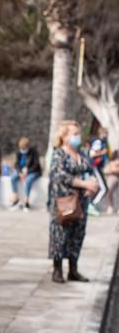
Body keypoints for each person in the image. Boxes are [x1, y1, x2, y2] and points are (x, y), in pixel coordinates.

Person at [48, 120, 99, 283]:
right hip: (64, 200)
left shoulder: (82, 153)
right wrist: (83, 184)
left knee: (77, 235)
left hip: (81, 202)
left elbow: (90, 171)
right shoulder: (59, 154)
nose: (78, 136)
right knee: (61, 234)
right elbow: (60, 176)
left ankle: (73, 269)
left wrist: (91, 185)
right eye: (74, 134)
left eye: (79, 133)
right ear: (64, 137)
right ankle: (57, 270)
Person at [9, 137, 41, 211]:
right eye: (22, 148)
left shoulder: (34, 152)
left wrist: (27, 172)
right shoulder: (19, 152)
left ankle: (26, 201)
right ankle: (15, 198)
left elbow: (36, 165)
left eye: (24, 148)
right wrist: (20, 172)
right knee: (13, 177)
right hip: (22, 171)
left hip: (33, 171)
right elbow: (16, 164)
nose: (23, 150)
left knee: (29, 180)